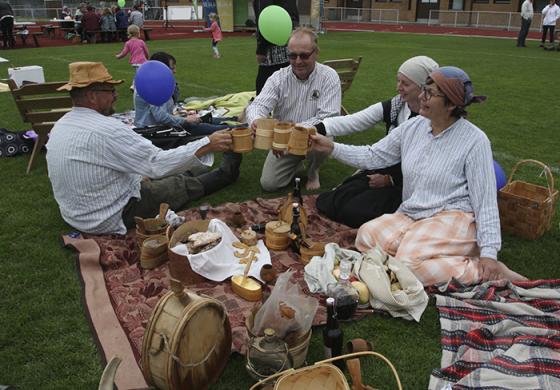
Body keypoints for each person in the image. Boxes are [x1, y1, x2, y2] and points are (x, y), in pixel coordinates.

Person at [310, 66, 528, 287]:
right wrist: (331, 147)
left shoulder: (475, 141)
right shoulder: (413, 127)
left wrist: (490, 254)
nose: (422, 96)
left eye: (431, 93)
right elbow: (373, 156)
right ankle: (433, 256)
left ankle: (480, 270)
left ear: (452, 104)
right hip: (413, 213)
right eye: (424, 89)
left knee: (407, 264)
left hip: (454, 216)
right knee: (366, 236)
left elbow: (486, 202)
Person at [46, 61, 242, 235]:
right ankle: (227, 173)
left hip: (76, 214)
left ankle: (198, 168)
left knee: (160, 176)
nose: (116, 96)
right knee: (177, 186)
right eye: (110, 91)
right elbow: (157, 164)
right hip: (109, 215)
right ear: (91, 96)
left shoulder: (61, 124)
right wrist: (208, 143)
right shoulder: (108, 129)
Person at [315, 56, 439, 228]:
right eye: (398, 81)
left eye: (405, 83)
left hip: (408, 183)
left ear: (422, 87)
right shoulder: (397, 106)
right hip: (383, 165)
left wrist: (391, 179)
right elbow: (354, 121)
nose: (398, 88)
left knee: (354, 211)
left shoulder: (433, 121)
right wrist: (317, 129)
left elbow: (428, 168)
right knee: (335, 199)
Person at [245, 27, 341, 191]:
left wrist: (293, 129)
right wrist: (255, 121)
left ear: (316, 52)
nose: (298, 61)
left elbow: (328, 117)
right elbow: (258, 105)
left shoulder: (329, 76)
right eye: (292, 55)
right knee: (269, 184)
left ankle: (313, 171)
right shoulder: (278, 78)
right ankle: (295, 164)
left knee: (326, 137)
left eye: (304, 55)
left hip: (312, 137)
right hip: (284, 141)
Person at [134, 52, 231, 136]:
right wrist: (185, 120)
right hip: (155, 130)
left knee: (205, 120)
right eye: (172, 68)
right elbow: (160, 117)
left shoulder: (156, 81)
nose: (175, 71)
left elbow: (169, 105)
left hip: (163, 126)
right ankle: (237, 127)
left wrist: (173, 84)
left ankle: (235, 119)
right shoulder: (153, 86)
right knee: (207, 127)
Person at [253, 0, 299, 94]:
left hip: (271, 48)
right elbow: (294, 17)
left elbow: (265, 20)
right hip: (289, 44)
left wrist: (261, 50)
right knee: (288, 86)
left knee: (264, 87)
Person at [116, 24, 148, 89]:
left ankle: (140, 84)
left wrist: (119, 56)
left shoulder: (128, 43)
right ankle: (134, 85)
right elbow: (146, 51)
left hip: (134, 62)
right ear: (138, 33)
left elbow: (124, 53)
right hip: (142, 61)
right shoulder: (141, 42)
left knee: (140, 73)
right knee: (140, 74)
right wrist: (147, 57)